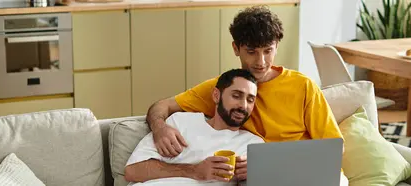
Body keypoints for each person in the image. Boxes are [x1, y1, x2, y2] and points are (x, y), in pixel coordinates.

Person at [145, 5, 348, 184]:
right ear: (236, 48)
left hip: (307, 172)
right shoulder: (224, 88)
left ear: (276, 46)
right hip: (264, 179)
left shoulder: (303, 86)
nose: (261, 61)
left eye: (268, 51)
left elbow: (334, 149)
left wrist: (270, 163)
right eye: (251, 52)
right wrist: (160, 128)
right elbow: (162, 106)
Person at [124, 69, 264, 186]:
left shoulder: (253, 146)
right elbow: (132, 171)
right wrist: (194, 170)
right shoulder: (180, 122)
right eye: (236, 96)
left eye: (250, 100)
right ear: (216, 96)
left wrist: (254, 174)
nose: (243, 106)